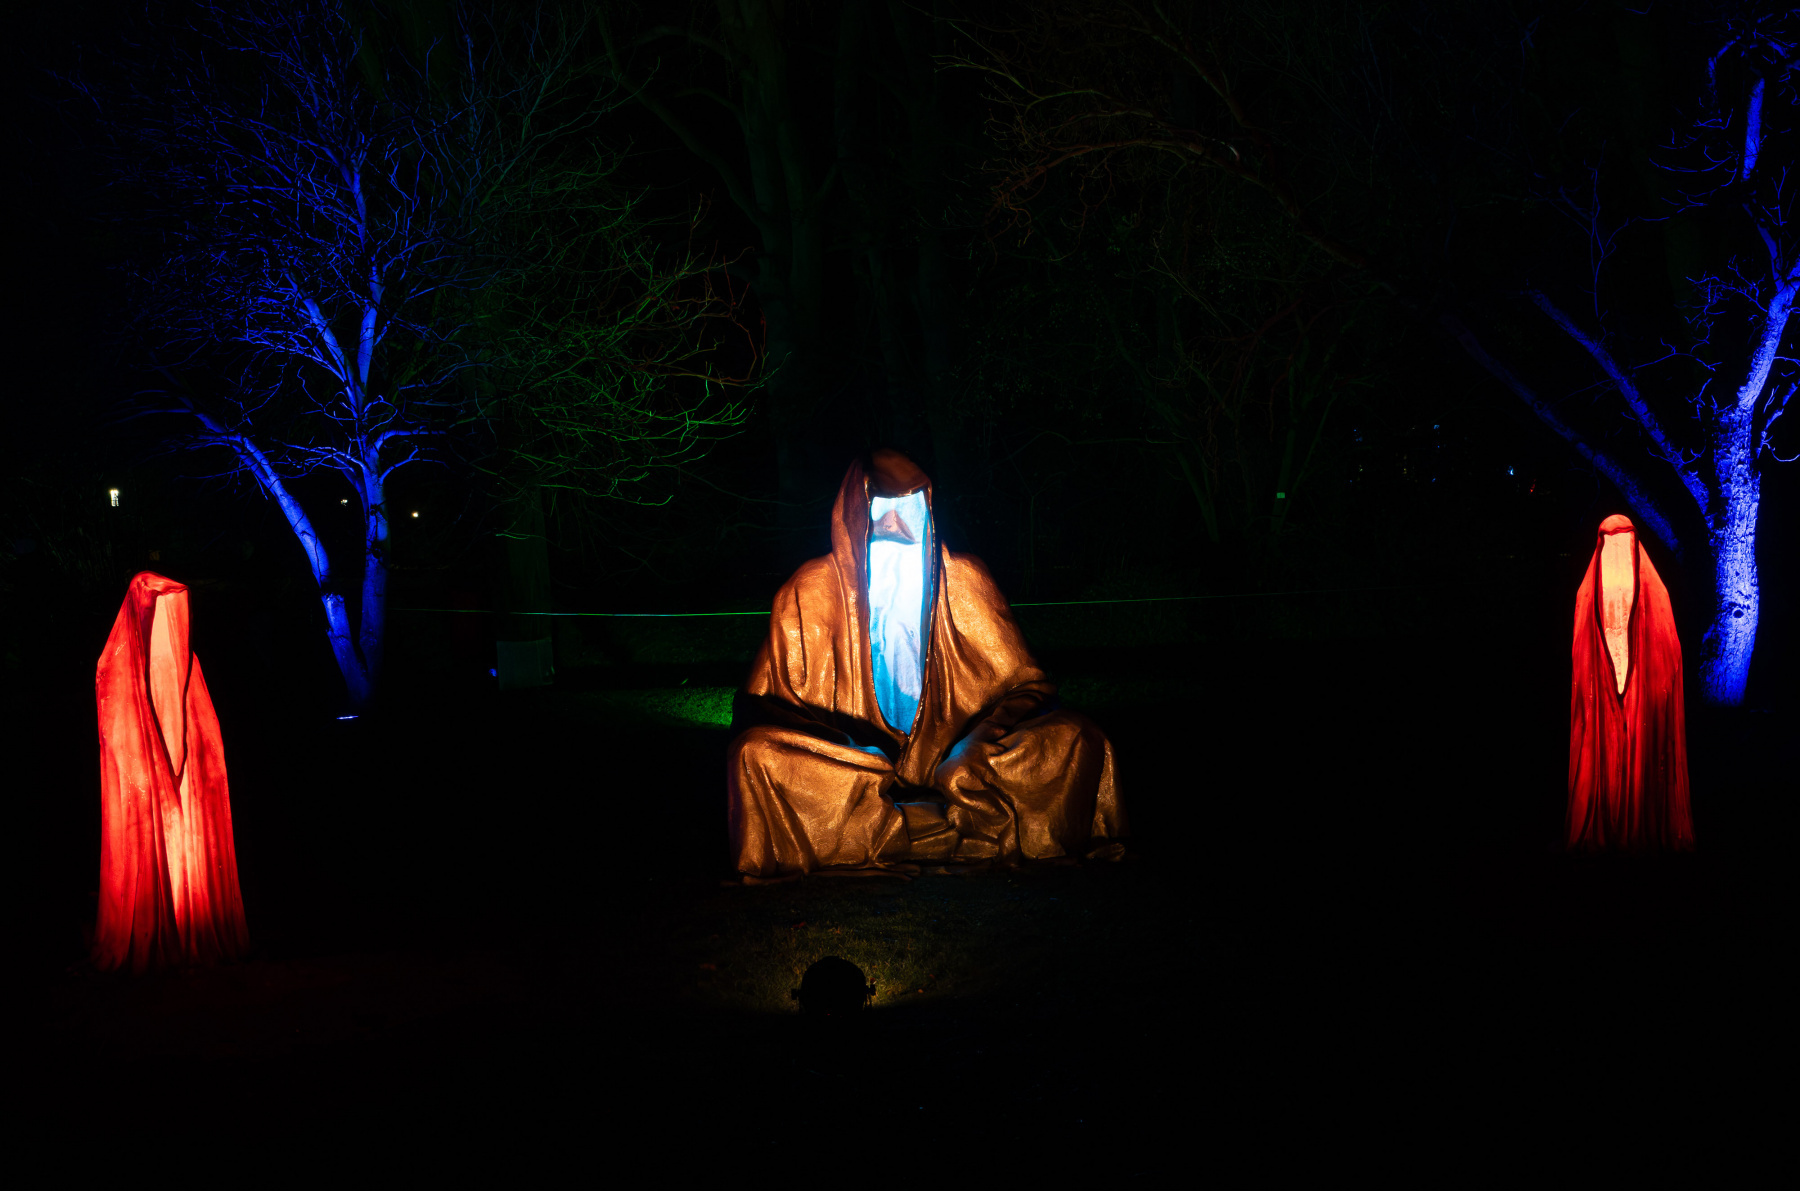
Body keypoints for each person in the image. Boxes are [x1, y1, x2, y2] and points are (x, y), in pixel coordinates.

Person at [728, 450, 1125, 879]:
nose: (894, 525)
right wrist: (847, 747)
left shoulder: (965, 579)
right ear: (853, 515)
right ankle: (947, 828)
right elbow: (760, 705)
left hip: (962, 764)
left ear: (929, 511)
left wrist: (978, 742)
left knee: (1078, 738)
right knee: (754, 755)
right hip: (857, 771)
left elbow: (1030, 687)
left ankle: (896, 828)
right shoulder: (807, 591)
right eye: (881, 510)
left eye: (908, 510)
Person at [94, 571, 248, 970]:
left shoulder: (189, 672)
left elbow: (204, 739)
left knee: (180, 844)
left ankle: (189, 914)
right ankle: (151, 923)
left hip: (183, 788)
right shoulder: (117, 668)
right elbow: (118, 741)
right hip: (142, 796)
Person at [1566, 514, 1694, 851]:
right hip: (1602, 682)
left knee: (1640, 751)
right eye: (1610, 544)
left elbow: (1667, 649)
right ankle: (1606, 817)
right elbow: (1582, 646)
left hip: (1641, 687)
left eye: (1625, 543)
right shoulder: (1588, 593)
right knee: (1605, 751)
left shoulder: (1655, 593)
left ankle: (1638, 822)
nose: (1617, 552)